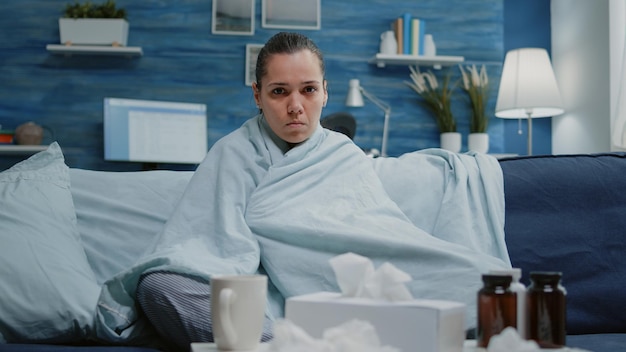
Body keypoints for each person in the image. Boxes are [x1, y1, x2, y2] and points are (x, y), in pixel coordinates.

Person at [99, 32, 511, 351]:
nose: (296, 105)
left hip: (345, 287)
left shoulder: (342, 152)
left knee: (488, 283)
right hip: (265, 303)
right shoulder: (232, 152)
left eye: (308, 90)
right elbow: (205, 238)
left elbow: (376, 229)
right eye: (280, 92)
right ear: (258, 96)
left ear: (324, 92)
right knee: (158, 288)